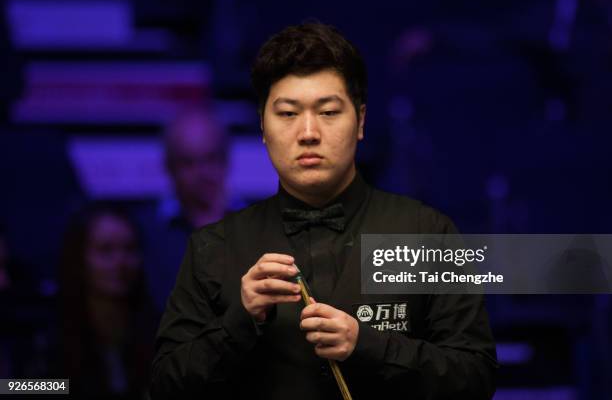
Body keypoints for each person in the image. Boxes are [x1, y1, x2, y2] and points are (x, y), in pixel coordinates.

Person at [151, 23, 497, 399]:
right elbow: (166, 386)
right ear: (263, 127)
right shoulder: (212, 247)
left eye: (329, 111)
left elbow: (475, 379)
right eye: (287, 114)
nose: (309, 132)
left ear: (361, 121)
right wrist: (240, 319)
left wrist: (367, 345)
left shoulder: (426, 233)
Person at [58, 204, 155, 399]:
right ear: (79, 258)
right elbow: (13, 387)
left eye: (130, 249)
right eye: (105, 250)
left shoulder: (160, 329)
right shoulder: (49, 332)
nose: (121, 262)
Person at [137, 108, 229, 314]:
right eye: (189, 162)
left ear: (226, 160)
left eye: (211, 158)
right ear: (169, 166)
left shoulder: (255, 225)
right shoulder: (143, 232)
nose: (202, 173)